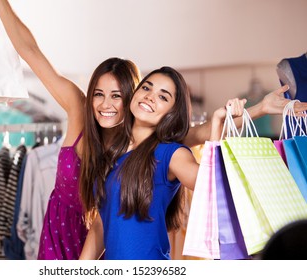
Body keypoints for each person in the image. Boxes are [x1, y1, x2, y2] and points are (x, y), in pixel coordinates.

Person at [0, 0, 307, 260]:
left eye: (117, 96)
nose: (105, 104)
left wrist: (259, 110)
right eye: (99, 94)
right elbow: (31, 52)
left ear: (131, 99)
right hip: (63, 239)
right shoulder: (87, 117)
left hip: (108, 248)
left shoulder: (152, 145)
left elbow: (201, 137)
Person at [79, 67, 246, 260]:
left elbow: (213, 185)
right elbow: (101, 224)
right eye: (146, 88)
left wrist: (217, 123)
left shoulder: (171, 153)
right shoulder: (113, 151)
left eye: (163, 97)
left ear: (172, 113)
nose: (150, 97)